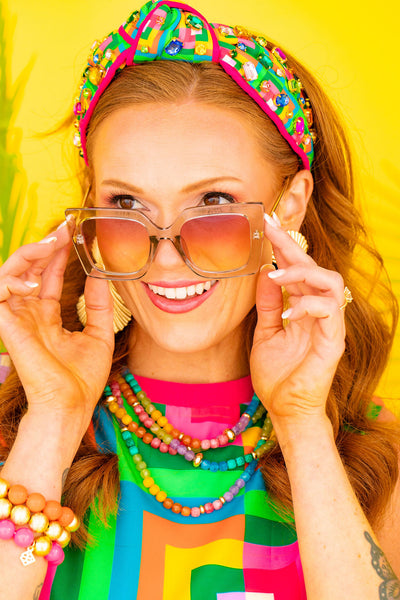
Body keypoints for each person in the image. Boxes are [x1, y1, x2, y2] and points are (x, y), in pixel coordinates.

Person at [0, 1, 399, 598]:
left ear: (289, 206)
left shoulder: (372, 452)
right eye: (127, 205)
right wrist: (53, 416)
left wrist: (301, 423)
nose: (166, 256)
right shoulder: (17, 416)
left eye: (214, 203)